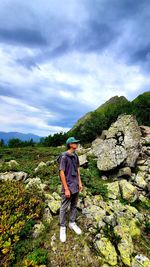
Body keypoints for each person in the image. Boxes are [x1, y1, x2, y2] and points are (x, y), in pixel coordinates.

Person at [59, 136, 83, 242]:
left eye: (76, 142)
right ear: (70, 144)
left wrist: (80, 182)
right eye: (74, 142)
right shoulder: (64, 157)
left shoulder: (76, 156)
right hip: (68, 186)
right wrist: (66, 188)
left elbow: (78, 169)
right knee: (64, 207)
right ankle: (62, 227)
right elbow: (61, 173)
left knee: (74, 205)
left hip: (75, 185)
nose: (76, 144)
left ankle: (72, 223)